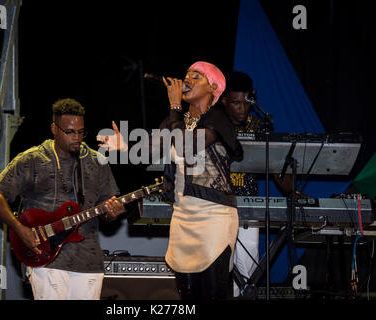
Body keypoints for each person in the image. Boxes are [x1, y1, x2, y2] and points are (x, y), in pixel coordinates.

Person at [99, 61, 242, 299]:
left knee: (213, 291)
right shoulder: (175, 122)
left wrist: (174, 105)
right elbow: (144, 155)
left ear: (213, 88)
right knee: (188, 294)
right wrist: (123, 147)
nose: (187, 80)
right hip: (183, 217)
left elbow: (186, 146)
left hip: (213, 216)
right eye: (187, 75)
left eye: (196, 77)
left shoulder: (218, 119)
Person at [0, 98, 125, 300]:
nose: (76, 137)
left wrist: (114, 211)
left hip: (89, 261)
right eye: (70, 132)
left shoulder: (97, 160)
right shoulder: (33, 159)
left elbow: (107, 210)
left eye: (80, 132)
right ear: (54, 129)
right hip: (46, 259)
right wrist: (19, 228)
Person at [220, 71, 297, 298]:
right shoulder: (214, 124)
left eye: (246, 103)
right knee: (220, 265)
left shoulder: (258, 126)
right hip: (218, 205)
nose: (242, 109)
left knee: (248, 267)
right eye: (235, 103)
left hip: (249, 209)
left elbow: (278, 174)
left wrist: (291, 185)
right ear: (224, 100)